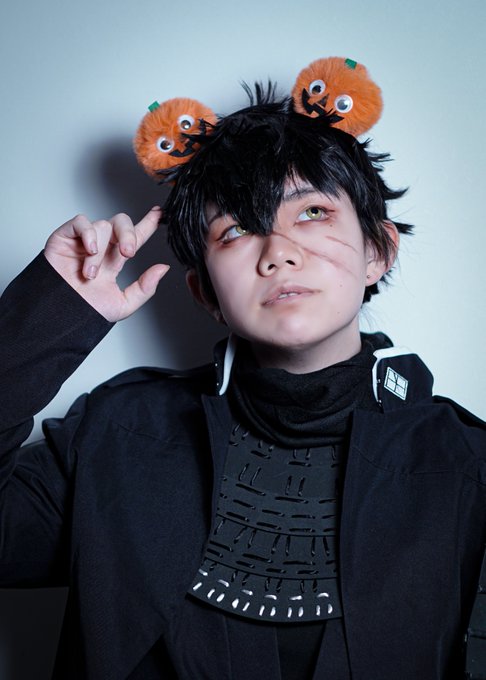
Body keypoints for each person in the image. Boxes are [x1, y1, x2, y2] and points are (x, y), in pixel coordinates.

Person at [1, 83, 485, 680]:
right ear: (204, 292)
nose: (277, 253)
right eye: (234, 231)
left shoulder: (468, 465)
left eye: (312, 212)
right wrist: (41, 321)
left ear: (378, 251)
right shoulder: (116, 434)